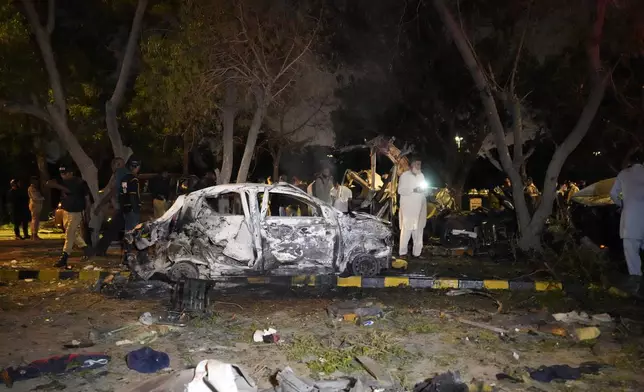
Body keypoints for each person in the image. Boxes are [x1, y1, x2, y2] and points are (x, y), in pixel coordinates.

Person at [610, 154, 644, 294]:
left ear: (630, 162)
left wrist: (622, 204)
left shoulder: (624, 174)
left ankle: (636, 284)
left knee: (631, 253)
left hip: (631, 221)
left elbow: (613, 194)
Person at [49, 165, 92, 267]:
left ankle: (64, 257)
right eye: (61, 173)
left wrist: (88, 213)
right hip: (66, 211)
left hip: (76, 212)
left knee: (69, 233)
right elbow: (48, 184)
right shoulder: (63, 181)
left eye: (64, 173)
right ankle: (87, 249)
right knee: (73, 233)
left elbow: (87, 199)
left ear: (71, 173)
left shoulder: (79, 182)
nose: (62, 175)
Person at [90, 157, 125, 257]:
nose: (121, 166)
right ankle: (99, 250)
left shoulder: (119, 176)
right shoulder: (118, 176)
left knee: (114, 230)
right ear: (113, 165)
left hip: (123, 208)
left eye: (122, 164)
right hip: (122, 208)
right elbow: (112, 193)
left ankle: (100, 250)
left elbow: (114, 193)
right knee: (114, 230)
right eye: (119, 164)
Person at [397, 158, 427, 259]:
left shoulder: (421, 176)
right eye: (417, 164)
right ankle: (402, 253)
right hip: (408, 210)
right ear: (412, 165)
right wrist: (413, 189)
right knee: (406, 231)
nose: (419, 166)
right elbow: (400, 190)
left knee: (418, 232)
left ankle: (417, 253)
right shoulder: (404, 176)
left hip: (420, 208)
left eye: (420, 164)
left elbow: (423, 190)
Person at [119, 158, 142, 232]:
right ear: (137, 167)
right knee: (133, 232)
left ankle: (127, 243)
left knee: (128, 232)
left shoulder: (124, 179)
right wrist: (135, 209)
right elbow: (132, 195)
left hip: (126, 208)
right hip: (132, 209)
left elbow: (124, 192)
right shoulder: (134, 180)